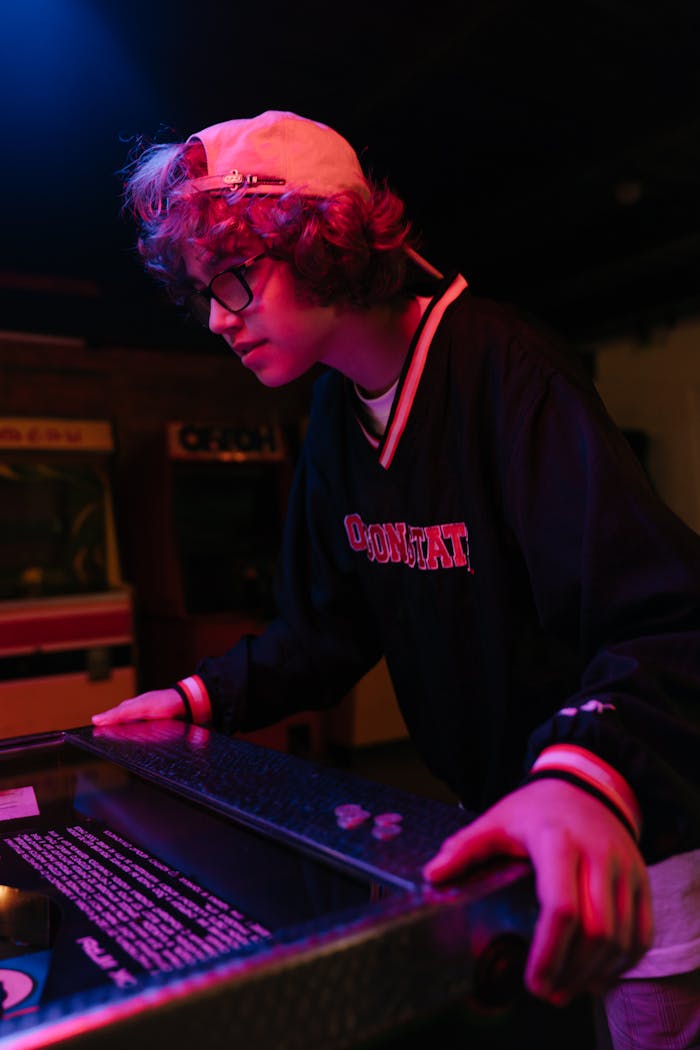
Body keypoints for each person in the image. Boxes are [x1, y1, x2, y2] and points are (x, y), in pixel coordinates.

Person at [94, 110, 700, 1048]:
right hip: (493, 823)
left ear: (322, 240)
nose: (217, 316)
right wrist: (197, 694)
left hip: (625, 818)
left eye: (235, 275)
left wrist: (586, 779)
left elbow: (667, 619)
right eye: (204, 289)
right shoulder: (337, 411)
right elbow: (325, 630)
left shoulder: (504, 364)